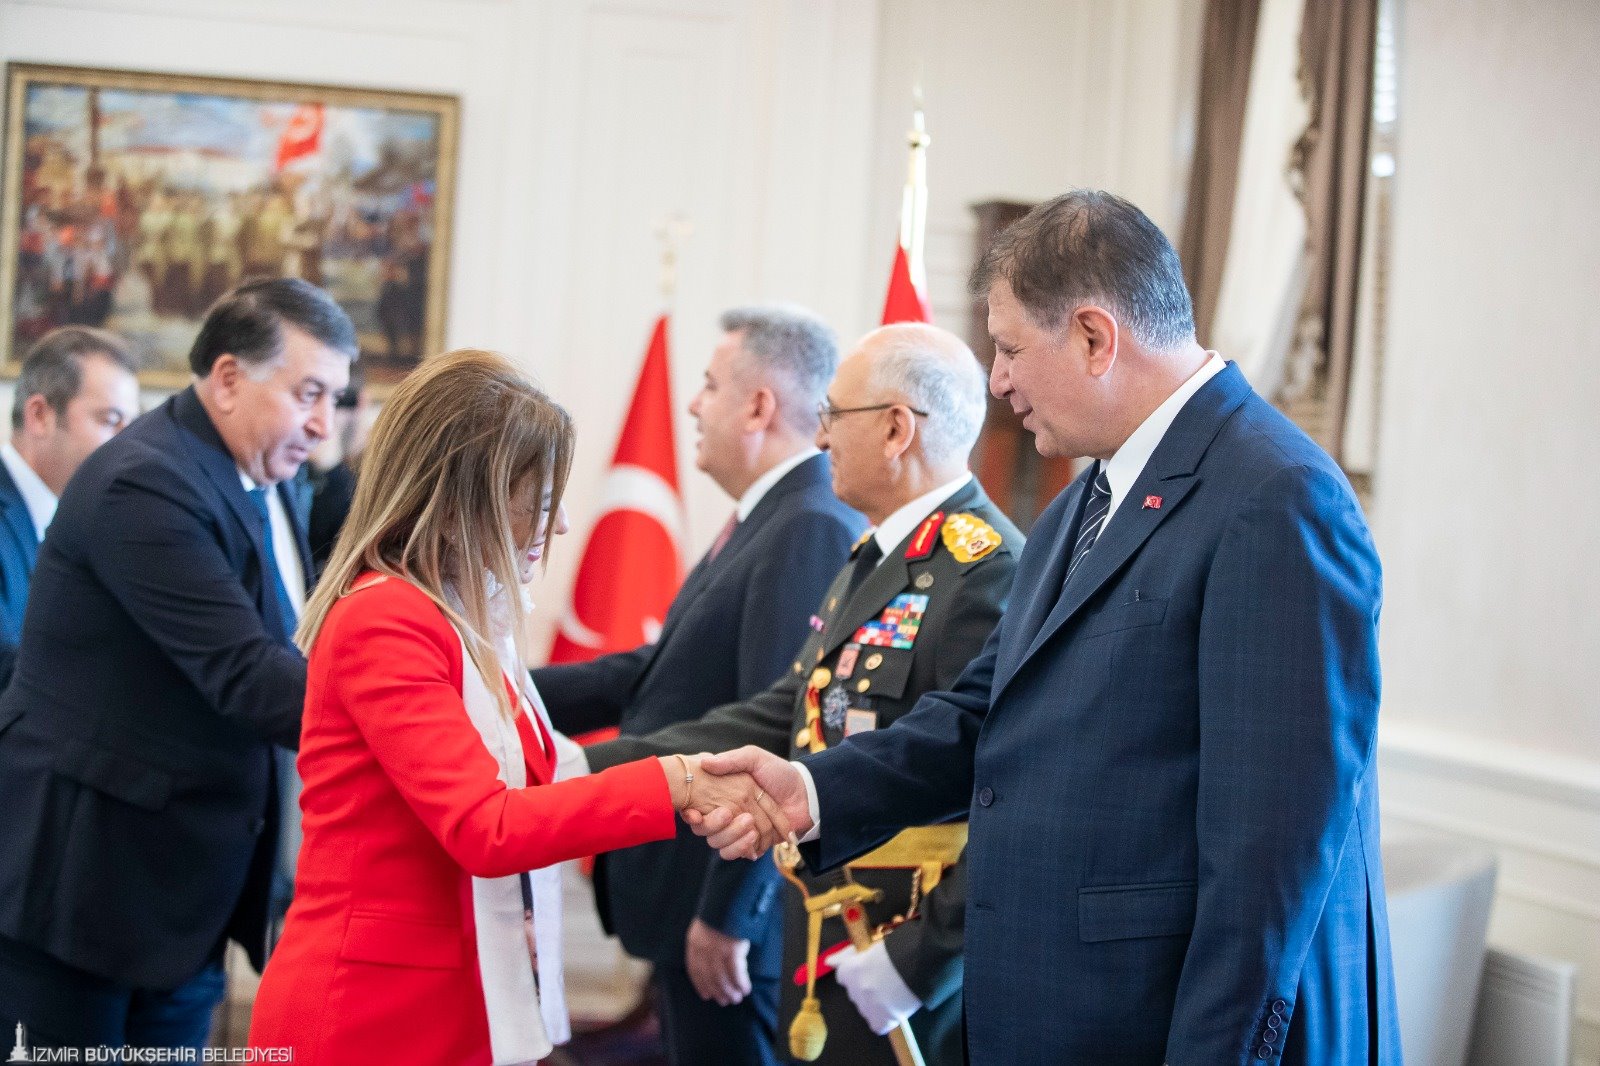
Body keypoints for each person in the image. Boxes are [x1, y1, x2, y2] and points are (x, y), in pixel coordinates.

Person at [694, 190, 1400, 1065]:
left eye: (1011, 348)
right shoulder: (1082, 503)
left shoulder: (1276, 497)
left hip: (1162, 1028)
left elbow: (1270, 861)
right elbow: (984, 711)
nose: (996, 381)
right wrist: (814, 790)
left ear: (1096, 338)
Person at [247, 349, 786, 1066]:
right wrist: (677, 783)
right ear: (462, 501)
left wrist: (694, 772)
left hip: (445, 990)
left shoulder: (461, 617)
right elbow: (486, 825)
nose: (558, 526)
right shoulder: (386, 618)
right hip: (368, 1011)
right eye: (541, 499)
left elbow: (548, 772)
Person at [586, 322, 1020, 1066]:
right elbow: (789, 710)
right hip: (821, 920)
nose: (819, 439)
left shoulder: (986, 569)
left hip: (899, 947)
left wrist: (919, 961)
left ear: (896, 429)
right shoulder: (878, 553)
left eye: (833, 416)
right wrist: (596, 767)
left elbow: (1002, 794)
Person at [0, 279, 354, 1052]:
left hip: (181, 896)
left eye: (334, 398)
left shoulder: (260, 477)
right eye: (309, 393)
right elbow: (250, 678)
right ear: (228, 379)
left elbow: (296, 650)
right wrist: (425, 723)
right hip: (84, 898)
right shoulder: (146, 481)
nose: (324, 424)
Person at [534, 306, 865, 1066]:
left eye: (711, 385)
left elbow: (774, 733)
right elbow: (654, 673)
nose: (692, 404)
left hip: (713, 902)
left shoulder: (807, 525)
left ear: (758, 406)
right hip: (681, 882)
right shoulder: (767, 516)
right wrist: (499, 686)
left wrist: (728, 915)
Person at [0, 326, 140, 684]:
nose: (129, 445)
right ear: (39, 416)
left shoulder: (90, 520)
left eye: (132, 426)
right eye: (110, 420)